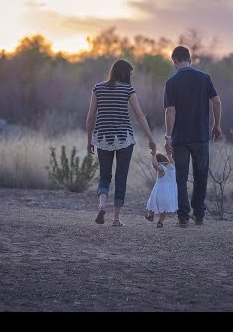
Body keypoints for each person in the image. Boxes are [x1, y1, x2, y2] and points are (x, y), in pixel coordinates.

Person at [86, 59, 156, 227]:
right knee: (121, 177)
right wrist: (151, 138)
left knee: (104, 175)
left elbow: (90, 117)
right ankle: (116, 219)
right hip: (124, 138)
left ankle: (102, 205)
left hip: (102, 138)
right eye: (129, 74)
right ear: (124, 73)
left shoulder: (98, 88)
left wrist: (89, 140)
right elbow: (139, 115)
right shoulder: (127, 89)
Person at [164, 46, 222, 228]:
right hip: (201, 136)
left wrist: (168, 137)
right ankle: (199, 215)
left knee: (180, 178)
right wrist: (216, 125)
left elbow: (170, 111)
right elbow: (217, 101)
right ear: (190, 59)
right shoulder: (204, 78)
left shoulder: (171, 82)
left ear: (174, 61)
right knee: (201, 176)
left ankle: (183, 217)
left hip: (180, 138)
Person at [145, 151, 178, 228]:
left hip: (160, 192)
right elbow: (172, 161)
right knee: (164, 208)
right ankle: (160, 222)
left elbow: (155, 165)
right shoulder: (172, 166)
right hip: (170, 193)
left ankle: (151, 215)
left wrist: (153, 155)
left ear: (159, 162)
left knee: (153, 202)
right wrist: (169, 154)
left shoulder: (162, 169)